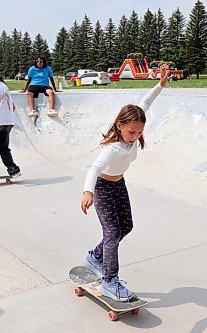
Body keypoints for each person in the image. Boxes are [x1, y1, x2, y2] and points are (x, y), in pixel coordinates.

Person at [80, 64, 170, 302]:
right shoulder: (113, 148)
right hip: (102, 186)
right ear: (120, 126)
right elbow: (95, 168)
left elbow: (146, 102)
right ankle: (110, 281)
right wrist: (88, 191)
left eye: (140, 133)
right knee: (112, 232)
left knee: (126, 227)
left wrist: (160, 84)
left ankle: (95, 257)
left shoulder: (134, 123)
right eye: (131, 132)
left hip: (118, 184)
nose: (136, 137)